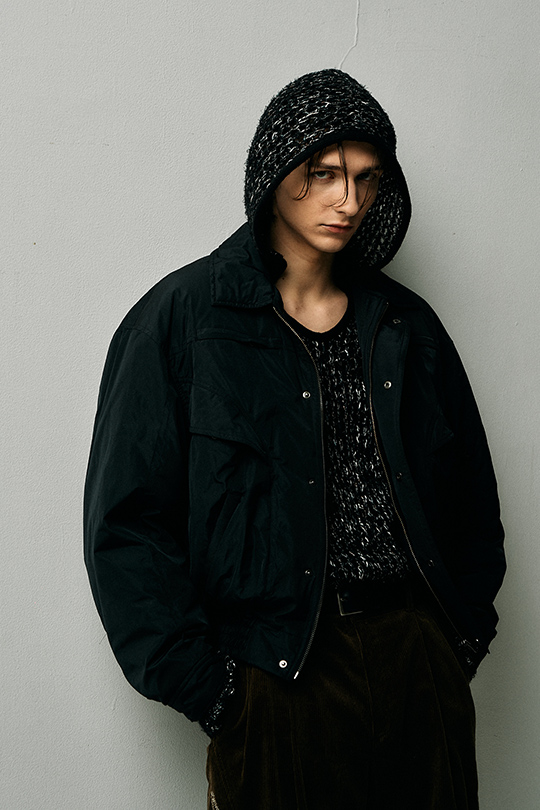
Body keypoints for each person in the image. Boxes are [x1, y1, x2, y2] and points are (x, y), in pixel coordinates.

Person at [84, 69, 506, 809]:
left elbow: (470, 496)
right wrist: (216, 694)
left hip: (416, 666)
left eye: (366, 179)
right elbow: (127, 526)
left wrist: (455, 642)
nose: (349, 200)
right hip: (275, 679)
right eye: (325, 174)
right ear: (277, 171)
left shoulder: (406, 326)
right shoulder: (183, 320)